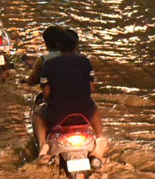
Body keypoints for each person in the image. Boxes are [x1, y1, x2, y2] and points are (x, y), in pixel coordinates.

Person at [33, 27, 103, 159]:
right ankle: (100, 140)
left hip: (56, 114)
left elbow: (46, 94)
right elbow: (91, 90)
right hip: (85, 112)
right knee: (95, 108)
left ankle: (43, 147)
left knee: (37, 113)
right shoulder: (86, 62)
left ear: (59, 45)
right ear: (76, 45)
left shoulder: (48, 64)